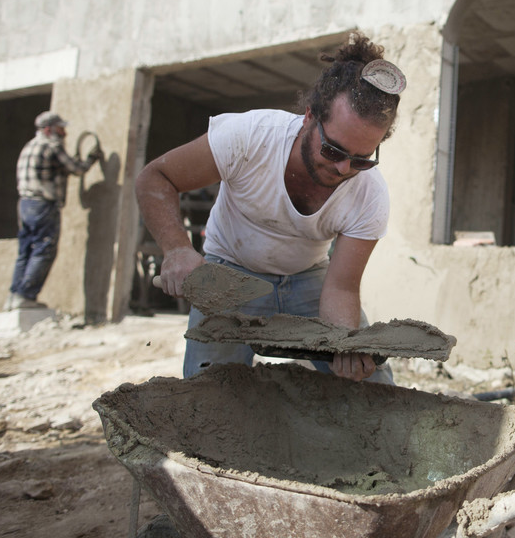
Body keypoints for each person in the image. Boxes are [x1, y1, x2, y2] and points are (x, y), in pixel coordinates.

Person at [135, 32, 405, 383]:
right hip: (230, 275)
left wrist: (343, 346)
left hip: (309, 277)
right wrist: (176, 250)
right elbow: (155, 178)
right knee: (207, 395)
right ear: (309, 117)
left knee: (372, 388)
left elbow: (341, 287)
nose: (343, 169)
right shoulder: (249, 137)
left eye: (361, 159)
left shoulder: (369, 193)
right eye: (333, 150)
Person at [6, 111, 102, 310]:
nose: (64, 133)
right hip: (43, 205)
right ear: (49, 129)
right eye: (60, 129)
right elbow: (77, 168)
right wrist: (92, 158)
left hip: (25, 204)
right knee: (44, 249)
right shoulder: (52, 146)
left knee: (25, 251)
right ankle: (26, 295)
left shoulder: (29, 146)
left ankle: (14, 296)